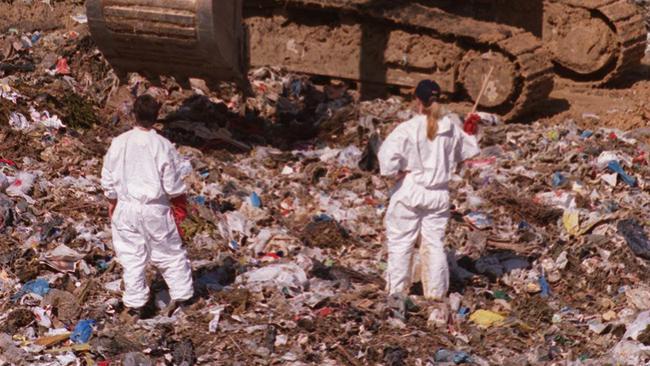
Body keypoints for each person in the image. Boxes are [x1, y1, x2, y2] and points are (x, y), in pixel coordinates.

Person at [378, 80, 480, 300]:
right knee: (433, 244)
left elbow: (386, 163)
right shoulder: (450, 126)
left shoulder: (408, 128)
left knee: (401, 243)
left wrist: (399, 173)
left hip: (410, 190)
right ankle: (436, 294)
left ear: (417, 101)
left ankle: (396, 292)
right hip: (438, 195)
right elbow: (469, 151)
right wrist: (471, 129)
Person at [101, 94, 193, 319]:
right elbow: (172, 183)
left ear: (133, 114)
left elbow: (108, 177)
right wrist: (180, 206)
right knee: (169, 254)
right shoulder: (162, 145)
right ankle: (182, 298)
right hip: (155, 209)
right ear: (156, 116)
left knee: (131, 257)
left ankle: (136, 305)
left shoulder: (119, 142)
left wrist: (113, 202)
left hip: (125, 208)